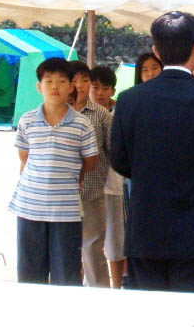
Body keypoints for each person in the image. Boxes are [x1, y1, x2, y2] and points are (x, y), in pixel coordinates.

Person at [110, 11, 194, 293]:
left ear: (155, 51)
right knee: (193, 310)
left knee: (150, 310)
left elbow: (119, 160)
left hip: (146, 224)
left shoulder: (129, 100)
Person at [8, 58, 98, 285]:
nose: (55, 86)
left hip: (66, 210)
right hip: (29, 208)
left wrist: (70, 176)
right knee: (30, 275)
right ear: (39, 87)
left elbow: (90, 162)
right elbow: (24, 157)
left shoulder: (82, 124)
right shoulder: (27, 120)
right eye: (49, 81)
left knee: (66, 275)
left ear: (71, 86)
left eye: (61, 81)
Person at [70, 60, 113, 288]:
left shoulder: (102, 115)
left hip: (92, 192)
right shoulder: (53, 112)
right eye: (74, 80)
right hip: (59, 196)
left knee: (93, 248)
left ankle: (100, 297)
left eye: (85, 80)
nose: (79, 85)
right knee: (64, 251)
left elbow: (114, 151)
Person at [90, 65, 126, 290]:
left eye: (105, 88)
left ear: (113, 91)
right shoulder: (81, 114)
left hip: (115, 184)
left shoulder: (119, 114)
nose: (100, 92)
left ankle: (117, 287)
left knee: (115, 242)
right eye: (95, 87)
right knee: (88, 241)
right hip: (89, 188)